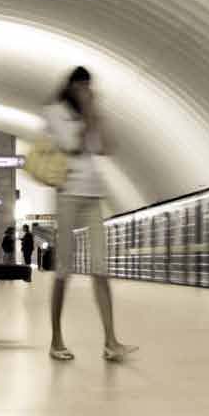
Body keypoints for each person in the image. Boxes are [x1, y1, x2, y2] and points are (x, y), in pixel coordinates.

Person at [41, 66, 137, 362]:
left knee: (100, 267)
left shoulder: (91, 112)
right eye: (81, 87)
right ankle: (56, 340)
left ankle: (111, 341)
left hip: (93, 195)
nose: (86, 92)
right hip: (68, 193)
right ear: (70, 87)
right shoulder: (55, 112)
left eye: (89, 87)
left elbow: (106, 147)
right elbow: (72, 145)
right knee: (63, 270)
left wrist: (96, 113)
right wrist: (85, 112)